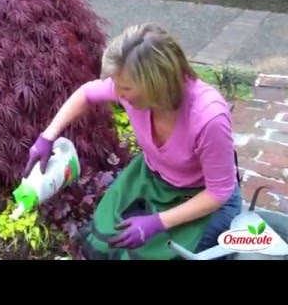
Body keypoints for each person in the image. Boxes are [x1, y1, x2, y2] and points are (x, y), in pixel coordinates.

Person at [23, 23, 242, 260]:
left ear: (156, 85)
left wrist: (158, 222)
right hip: (152, 179)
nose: (117, 93)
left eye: (125, 88)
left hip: (201, 199)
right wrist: (47, 137)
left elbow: (218, 193)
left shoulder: (209, 118)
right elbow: (86, 93)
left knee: (165, 255)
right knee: (106, 240)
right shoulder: (128, 89)